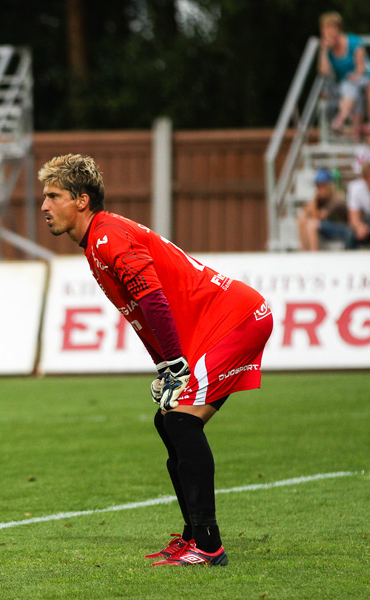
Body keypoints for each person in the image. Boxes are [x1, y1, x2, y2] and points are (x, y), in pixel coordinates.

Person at [38, 153, 273, 567]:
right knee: (170, 420)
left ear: (82, 200)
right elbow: (140, 312)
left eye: (53, 195)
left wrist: (176, 364)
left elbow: (151, 298)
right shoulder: (98, 241)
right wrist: (166, 365)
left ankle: (208, 544)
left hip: (234, 321)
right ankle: (193, 537)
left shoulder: (107, 237)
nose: (44, 206)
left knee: (182, 421)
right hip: (221, 324)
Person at [317, 11, 370, 136]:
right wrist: (323, 51)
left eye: (329, 27)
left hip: (362, 78)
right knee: (351, 90)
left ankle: (339, 121)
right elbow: (323, 71)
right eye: (324, 28)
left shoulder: (353, 41)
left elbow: (361, 69)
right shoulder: (328, 50)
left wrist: (355, 76)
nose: (327, 32)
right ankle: (355, 135)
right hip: (344, 85)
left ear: (337, 28)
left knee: (353, 87)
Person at [297, 168, 353, 250]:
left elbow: (320, 216)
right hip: (327, 227)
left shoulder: (338, 197)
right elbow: (306, 212)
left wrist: (314, 201)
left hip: (343, 228)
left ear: (329, 185)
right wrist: (314, 200)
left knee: (312, 225)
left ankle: (313, 255)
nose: (320, 188)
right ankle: (304, 253)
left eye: (323, 185)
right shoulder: (320, 198)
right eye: (318, 186)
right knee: (302, 219)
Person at [346, 162, 370, 248]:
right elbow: (354, 218)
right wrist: (359, 227)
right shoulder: (356, 188)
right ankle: (348, 258)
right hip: (366, 222)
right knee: (351, 234)